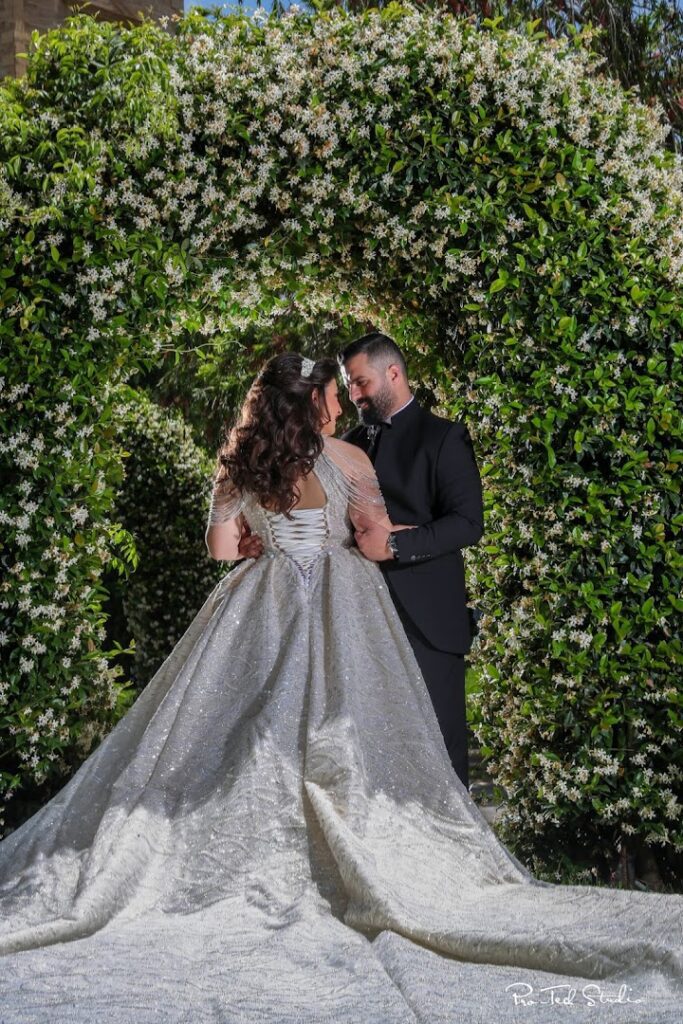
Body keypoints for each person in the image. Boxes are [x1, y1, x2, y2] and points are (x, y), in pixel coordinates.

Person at [0, 352, 680, 1024]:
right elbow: (373, 538)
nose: (339, 401)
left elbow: (219, 547)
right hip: (340, 596)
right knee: (351, 723)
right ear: (315, 398)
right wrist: (374, 538)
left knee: (239, 728)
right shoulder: (350, 461)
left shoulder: (240, 459)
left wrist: (262, 544)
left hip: (259, 599)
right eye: (331, 390)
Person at [340, 332, 483, 791]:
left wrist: (397, 546)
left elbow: (467, 523)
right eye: (348, 387)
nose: (355, 395)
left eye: (360, 383)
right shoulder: (348, 443)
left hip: (428, 624)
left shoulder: (444, 437)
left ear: (393, 374)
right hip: (361, 618)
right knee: (374, 754)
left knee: (440, 755)